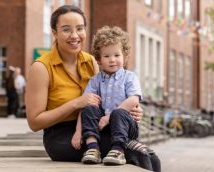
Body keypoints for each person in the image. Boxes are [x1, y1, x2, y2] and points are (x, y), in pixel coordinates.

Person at [25, 5, 160, 172]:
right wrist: (75, 104)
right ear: (54, 33)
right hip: (61, 137)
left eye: (80, 29)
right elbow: (34, 123)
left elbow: (107, 96)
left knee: (148, 155)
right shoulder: (41, 68)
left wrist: (132, 110)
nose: (75, 35)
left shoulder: (91, 61)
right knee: (139, 154)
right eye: (66, 30)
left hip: (95, 128)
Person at [70, 26, 142, 165]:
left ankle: (118, 150)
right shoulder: (95, 80)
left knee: (119, 113)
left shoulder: (129, 77)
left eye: (117, 55)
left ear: (125, 56)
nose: (112, 60)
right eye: (107, 56)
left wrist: (109, 117)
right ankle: (92, 148)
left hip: (126, 126)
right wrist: (78, 133)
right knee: (89, 108)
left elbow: (134, 99)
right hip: (101, 126)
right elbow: (85, 106)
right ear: (98, 59)